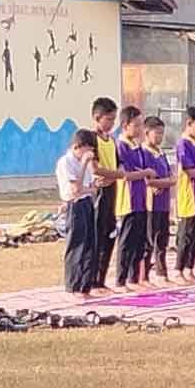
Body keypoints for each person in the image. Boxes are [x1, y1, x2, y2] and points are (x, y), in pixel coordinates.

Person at [113, 106, 157, 292]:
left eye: (141, 125)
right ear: (125, 125)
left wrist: (146, 174)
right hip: (128, 201)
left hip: (141, 199)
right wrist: (145, 173)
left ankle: (134, 277)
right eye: (136, 125)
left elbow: (145, 170)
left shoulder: (137, 146)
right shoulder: (121, 146)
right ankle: (120, 280)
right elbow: (127, 174)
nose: (140, 129)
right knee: (126, 242)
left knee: (140, 241)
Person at [57, 129, 98, 300]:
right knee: (76, 245)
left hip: (87, 203)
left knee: (90, 245)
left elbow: (92, 187)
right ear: (78, 146)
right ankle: (72, 286)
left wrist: (90, 188)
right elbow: (76, 189)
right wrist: (83, 164)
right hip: (75, 204)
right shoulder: (66, 162)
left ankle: (84, 286)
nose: (90, 154)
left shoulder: (84, 164)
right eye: (88, 149)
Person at [90, 97, 122, 294]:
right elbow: (95, 169)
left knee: (110, 234)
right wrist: (114, 175)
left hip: (112, 190)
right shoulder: (91, 139)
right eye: (108, 119)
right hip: (99, 192)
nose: (111, 123)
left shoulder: (111, 140)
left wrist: (115, 176)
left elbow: (118, 165)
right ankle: (92, 280)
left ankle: (101, 279)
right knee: (97, 235)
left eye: (113, 119)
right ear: (97, 117)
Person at [175, 107, 195, 283]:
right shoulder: (183, 144)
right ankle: (178, 269)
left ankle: (189, 267)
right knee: (186, 234)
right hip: (188, 194)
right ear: (189, 124)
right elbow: (189, 169)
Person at [142, 116, 176, 285]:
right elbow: (148, 181)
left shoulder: (161, 153)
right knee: (149, 239)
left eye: (162, 133)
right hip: (151, 203)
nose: (160, 137)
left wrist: (166, 182)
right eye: (157, 133)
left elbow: (172, 177)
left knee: (163, 238)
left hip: (163, 202)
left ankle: (162, 272)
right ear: (147, 133)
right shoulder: (144, 153)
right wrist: (164, 182)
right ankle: (143, 274)